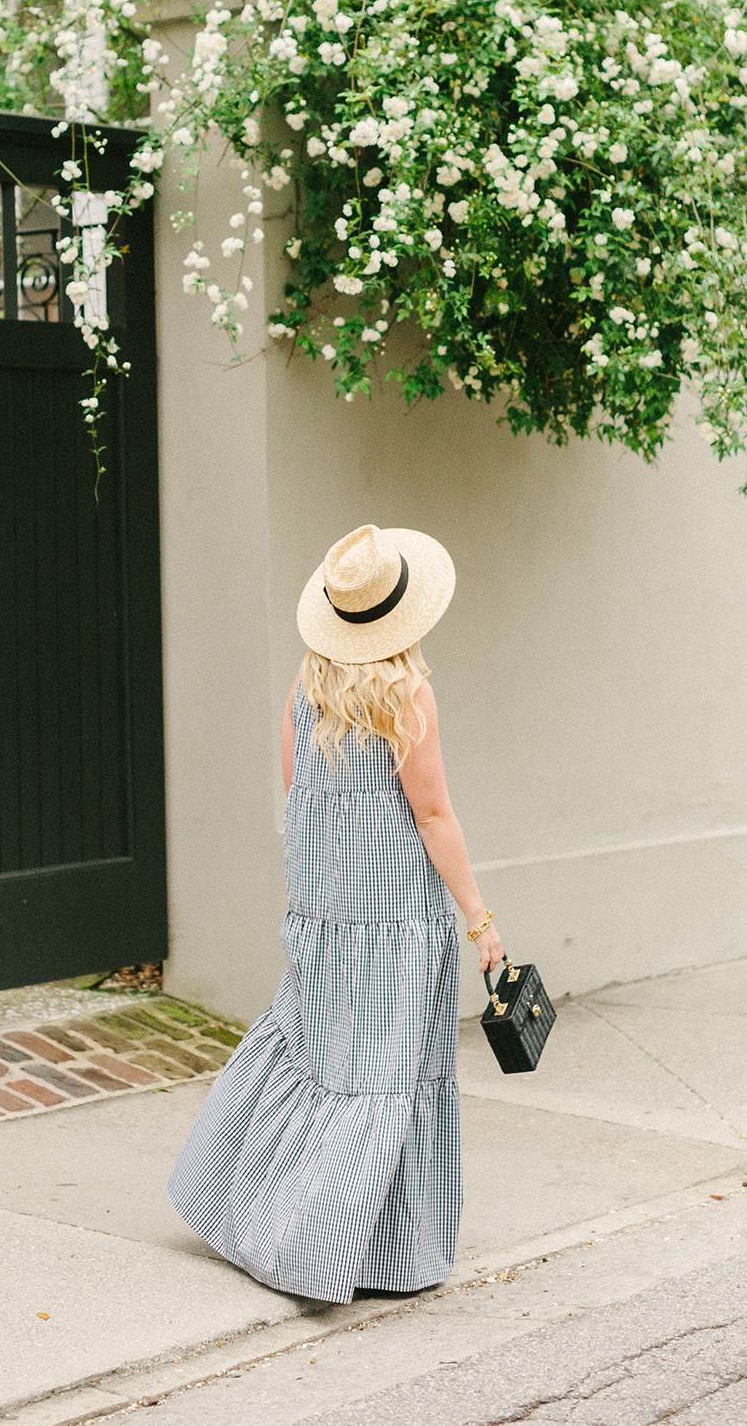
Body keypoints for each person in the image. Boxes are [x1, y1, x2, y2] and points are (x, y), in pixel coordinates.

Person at [167, 521, 504, 1304]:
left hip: (324, 910)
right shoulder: (407, 693)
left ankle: (261, 1215)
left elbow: (297, 793)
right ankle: (321, 1250)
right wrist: (480, 920)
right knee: (384, 1077)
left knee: (318, 1059)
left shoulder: (307, 686)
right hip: (394, 921)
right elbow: (432, 815)